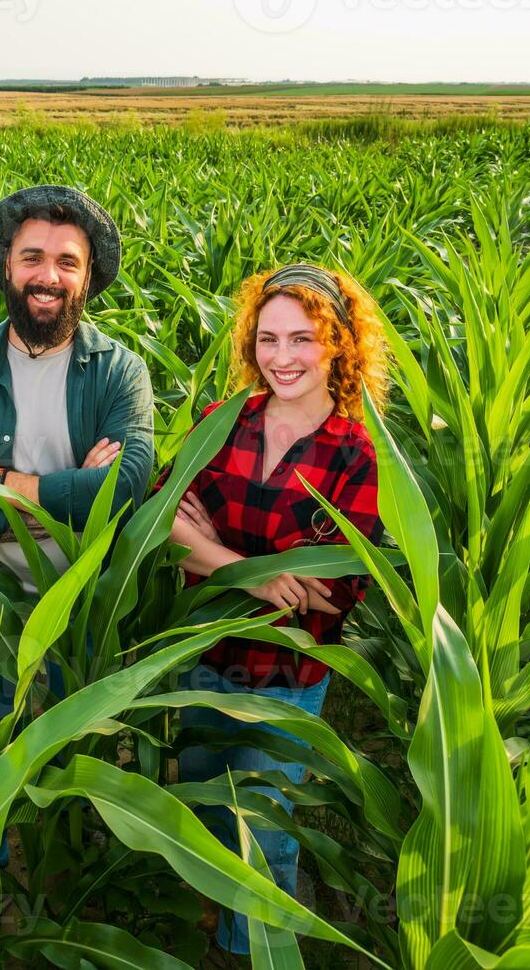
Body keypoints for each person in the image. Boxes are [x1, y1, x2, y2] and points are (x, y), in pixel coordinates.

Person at [169, 263, 390, 956]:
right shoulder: (221, 421)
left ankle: (251, 946)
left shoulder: (355, 453)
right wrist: (258, 575)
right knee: (202, 798)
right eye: (268, 339)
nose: (283, 357)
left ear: (338, 347)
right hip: (204, 658)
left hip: (287, 676)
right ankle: (211, 906)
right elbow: (166, 524)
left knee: (262, 830)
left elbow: (329, 591)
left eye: (303, 338)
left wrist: (211, 548)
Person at [0, 183, 155, 626]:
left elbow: (125, 488)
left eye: (67, 262)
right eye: (32, 258)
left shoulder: (122, 372)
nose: (48, 277)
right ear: (8, 265)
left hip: (89, 607)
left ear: (87, 275)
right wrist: (75, 493)